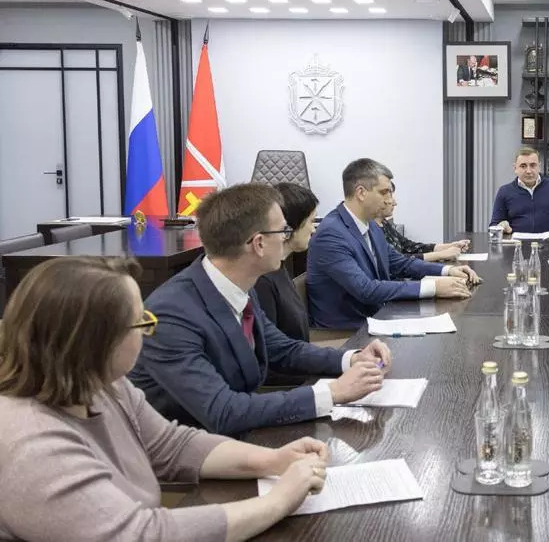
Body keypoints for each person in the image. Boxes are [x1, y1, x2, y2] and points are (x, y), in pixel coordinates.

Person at [0, 257, 335, 540]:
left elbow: (172, 445)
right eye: (141, 323)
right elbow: (143, 534)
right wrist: (278, 501)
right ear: (96, 343)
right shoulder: (32, 443)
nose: (149, 331)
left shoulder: (104, 386)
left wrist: (272, 460)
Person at [129, 183, 392, 437]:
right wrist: (332, 393)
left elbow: (282, 349)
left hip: (234, 437)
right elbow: (223, 411)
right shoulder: (171, 314)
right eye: (283, 230)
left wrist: (351, 358)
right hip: (184, 455)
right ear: (259, 243)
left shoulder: (239, 284)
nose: (288, 236)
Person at [307, 158, 480, 330]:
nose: (389, 200)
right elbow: (366, 290)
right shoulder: (331, 234)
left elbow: (399, 263)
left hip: (377, 316)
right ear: (361, 193)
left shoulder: (371, 225)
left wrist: (447, 270)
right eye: (384, 192)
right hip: (347, 331)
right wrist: (434, 287)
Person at [254, 182, 318, 343]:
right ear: (289, 228)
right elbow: (271, 347)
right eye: (311, 221)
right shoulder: (262, 281)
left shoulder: (280, 268)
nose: (313, 229)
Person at [378, 181, 470, 262]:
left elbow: (409, 247)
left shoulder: (384, 224)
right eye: (389, 197)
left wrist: (449, 246)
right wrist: (441, 255)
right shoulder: (373, 230)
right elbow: (396, 261)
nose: (394, 203)